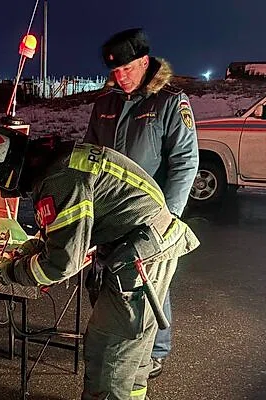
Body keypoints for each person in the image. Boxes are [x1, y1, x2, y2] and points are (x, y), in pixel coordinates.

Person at [0, 124, 200, 400]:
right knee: (133, 353)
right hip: (147, 242)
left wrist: (12, 271)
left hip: (139, 255)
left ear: (10, 175)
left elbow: (60, 265)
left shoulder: (59, 178)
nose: (2, 194)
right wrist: (38, 244)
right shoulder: (58, 160)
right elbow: (75, 226)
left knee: (109, 352)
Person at [83, 27, 200, 379]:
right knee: (109, 277)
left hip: (152, 214)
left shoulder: (168, 101)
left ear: (145, 62)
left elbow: (185, 161)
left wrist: (169, 218)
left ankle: (156, 351)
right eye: (115, 71)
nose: (121, 77)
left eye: (128, 69)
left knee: (149, 282)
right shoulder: (105, 103)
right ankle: (116, 337)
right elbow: (89, 154)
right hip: (109, 211)